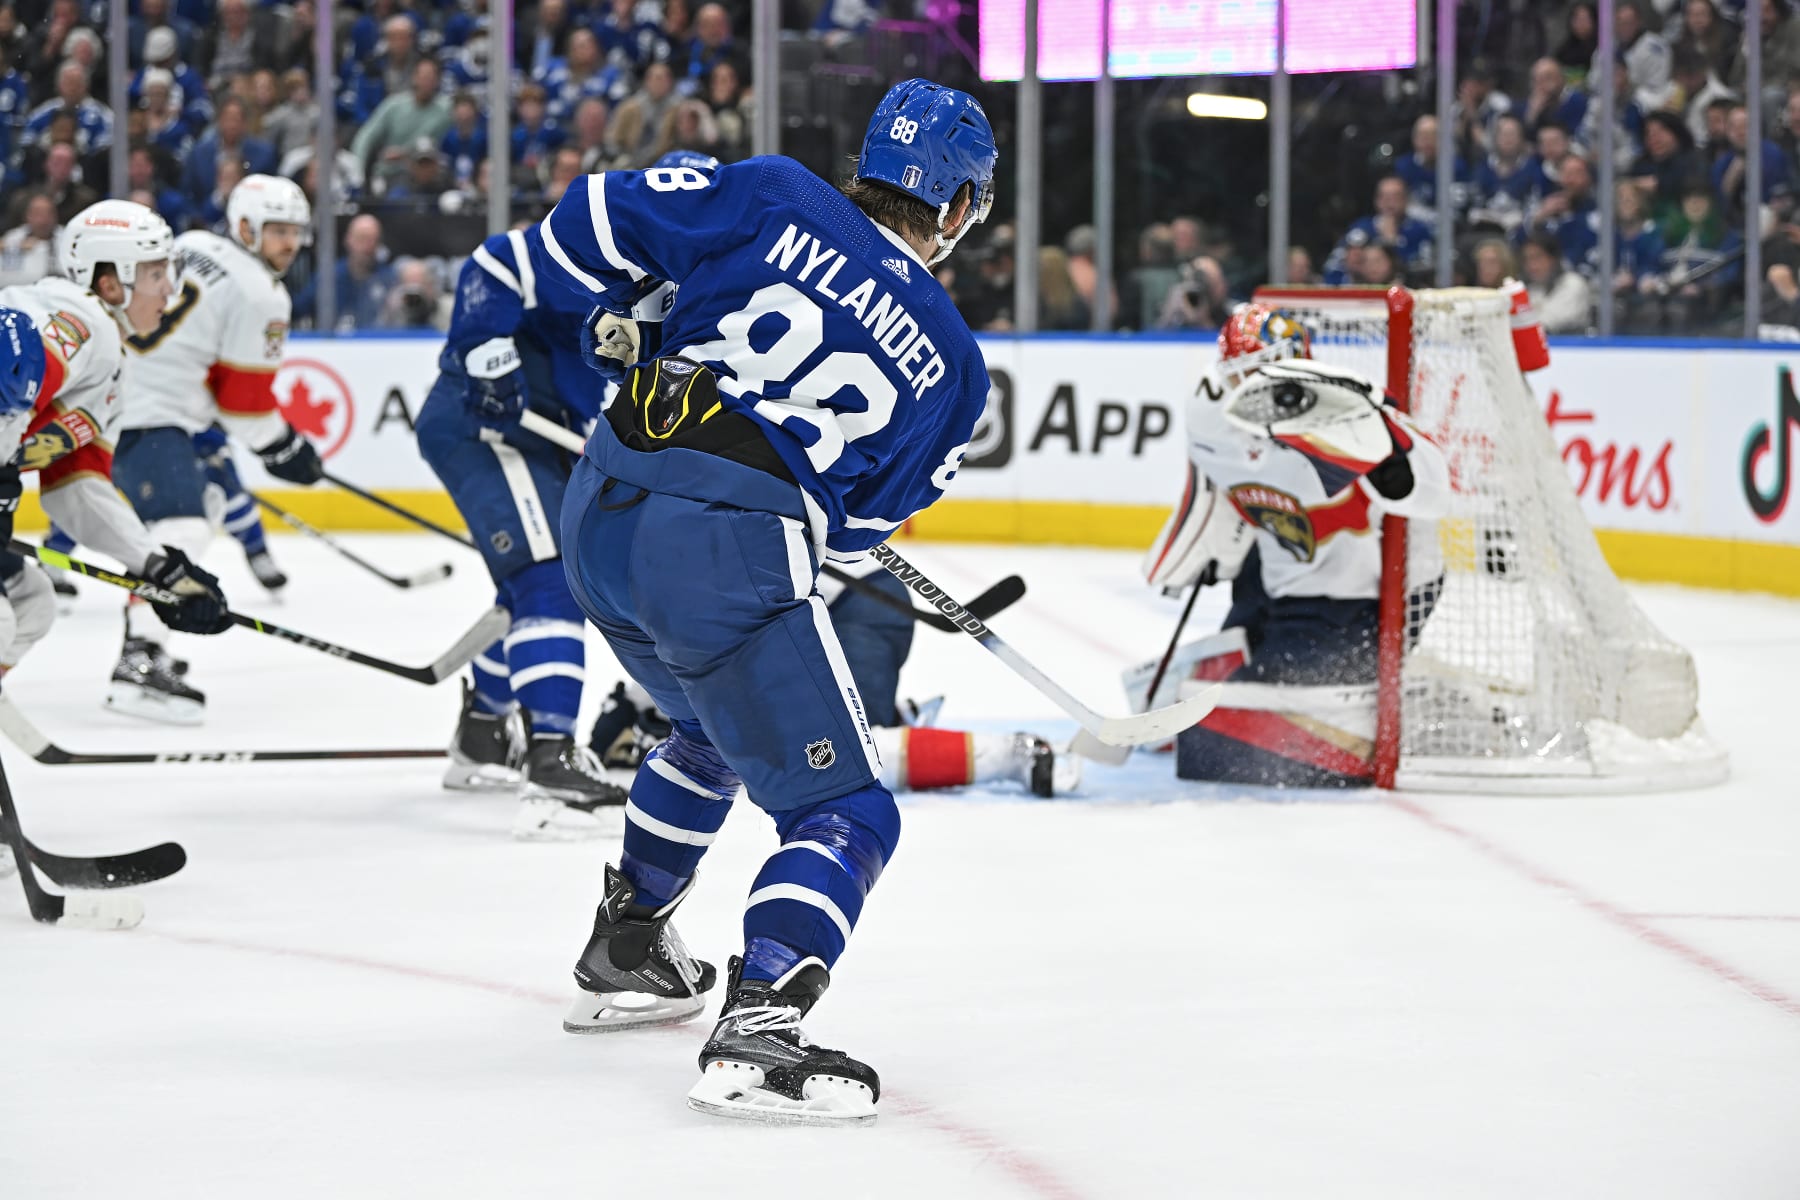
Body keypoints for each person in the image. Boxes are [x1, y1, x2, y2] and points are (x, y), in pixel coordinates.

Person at [540, 78, 995, 1125]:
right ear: (961, 206)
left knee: (708, 727)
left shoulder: (777, 193)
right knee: (846, 808)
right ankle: (760, 1024)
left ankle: (628, 944)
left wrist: (618, 317)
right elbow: (856, 530)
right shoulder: (957, 369)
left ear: (868, 160)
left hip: (601, 509)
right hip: (726, 545)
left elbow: (591, 222)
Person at [1139, 306, 1450, 786]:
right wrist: (1193, 557)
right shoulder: (1206, 407)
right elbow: (1214, 484)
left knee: (1226, 741)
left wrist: (1390, 455)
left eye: (1258, 374)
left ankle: (1396, 699)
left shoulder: (1341, 411)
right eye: (1237, 371)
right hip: (1279, 572)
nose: (1245, 387)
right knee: (1211, 698)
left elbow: (1432, 488)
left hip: (1363, 593)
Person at [107, 176, 322, 722]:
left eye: (295, 232)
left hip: (119, 399)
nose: (289, 243)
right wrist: (283, 447)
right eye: (277, 231)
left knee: (206, 506)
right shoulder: (262, 293)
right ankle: (137, 661)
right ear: (246, 227)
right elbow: (245, 406)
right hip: (147, 416)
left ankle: (147, 643)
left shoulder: (194, 244)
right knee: (180, 530)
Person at [0, 202, 231, 691]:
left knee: (31, 604)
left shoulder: (109, 368)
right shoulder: (73, 319)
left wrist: (157, 566)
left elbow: (76, 489)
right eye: (154, 274)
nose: (170, 288)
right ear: (110, 284)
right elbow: (9, 355)